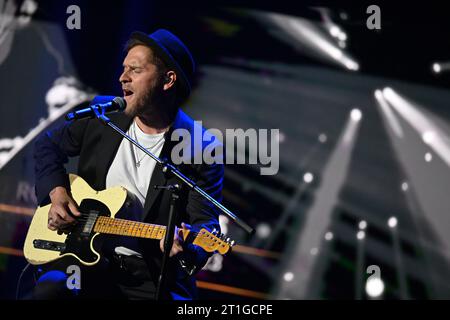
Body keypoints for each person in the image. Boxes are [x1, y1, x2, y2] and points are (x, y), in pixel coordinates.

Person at [31, 29, 224, 300]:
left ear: (168, 80)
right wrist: (57, 193)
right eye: (124, 69)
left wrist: (190, 248)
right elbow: (47, 145)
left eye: (135, 70)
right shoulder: (103, 114)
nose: (123, 78)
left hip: (148, 275)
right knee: (48, 292)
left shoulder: (200, 147)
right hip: (81, 256)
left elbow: (205, 223)